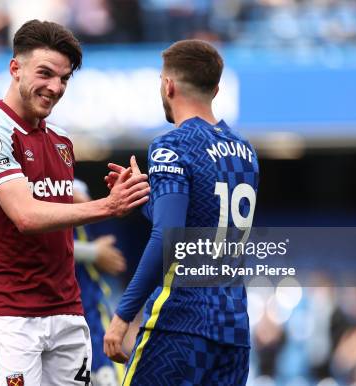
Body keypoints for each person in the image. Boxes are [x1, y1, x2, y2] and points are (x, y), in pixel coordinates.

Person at [0, 20, 150, 386]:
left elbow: (57, 207)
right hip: (10, 314)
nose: (55, 88)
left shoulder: (61, 139)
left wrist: (116, 192)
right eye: (45, 73)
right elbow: (27, 216)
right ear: (15, 68)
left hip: (67, 310)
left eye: (64, 79)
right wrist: (108, 207)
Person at [103, 39, 259, 385]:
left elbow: (168, 237)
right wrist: (146, 196)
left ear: (168, 85)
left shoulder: (172, 145)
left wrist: (124, 314)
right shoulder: (245, 151)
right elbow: (196, 223)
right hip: (233, 330)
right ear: (216, 89)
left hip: (181, 324)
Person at [72, 179, 126, 386]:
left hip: (88, 309)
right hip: (59, 315)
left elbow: (80, 194)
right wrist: (94, 253)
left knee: (106, 375)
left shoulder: (67, 184)